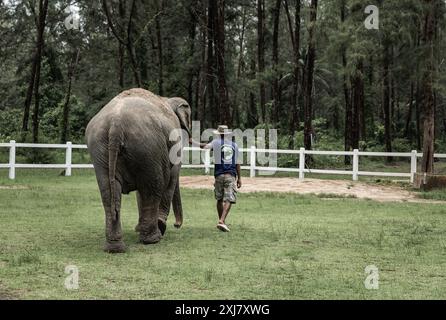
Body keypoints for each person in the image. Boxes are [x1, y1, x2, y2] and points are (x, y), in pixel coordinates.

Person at [189, 125, 242, 232]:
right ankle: (222, 221)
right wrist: (239, 178)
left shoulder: (215, 143)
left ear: (219, 134)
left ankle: (221, 221)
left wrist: (192, 142)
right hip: (230, 174)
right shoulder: (234, 145)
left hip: (218, 175)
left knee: (219, 199)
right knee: (230, 198)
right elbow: (237, 163)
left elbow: (203, 146)